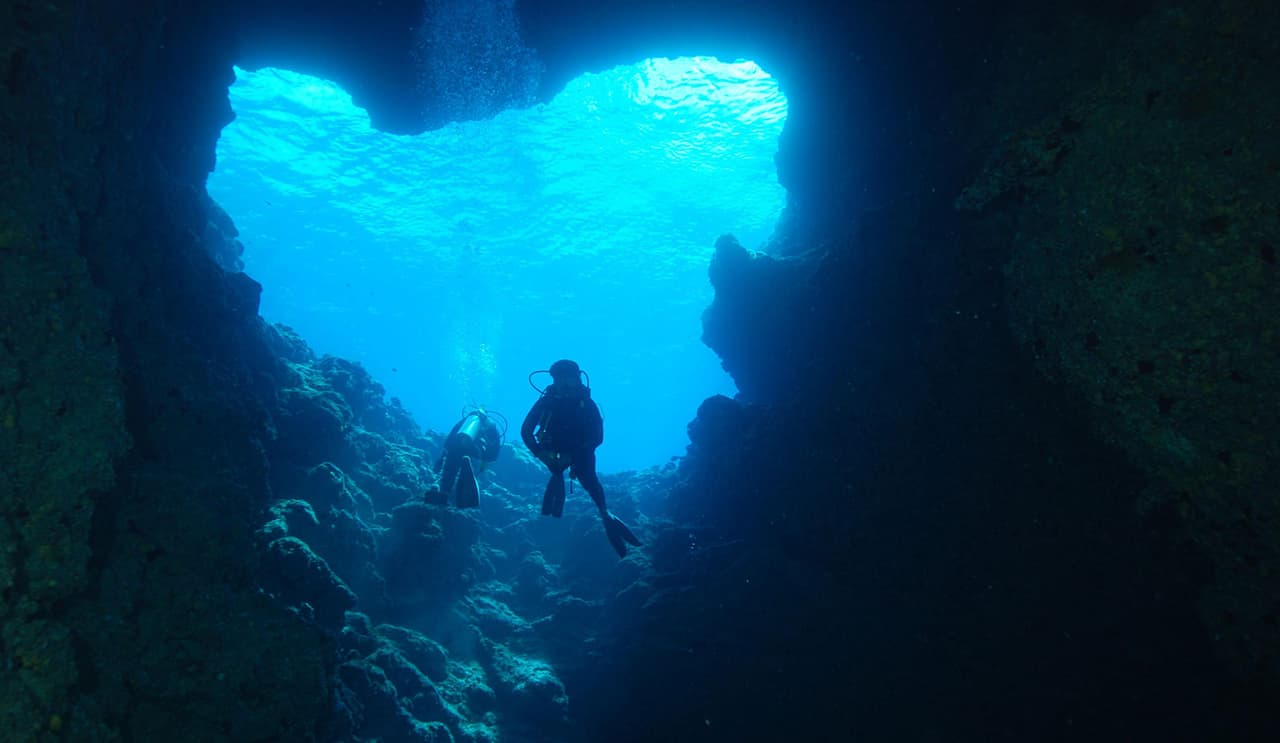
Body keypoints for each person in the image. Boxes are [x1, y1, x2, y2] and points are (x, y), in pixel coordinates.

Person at [521, 359, 641, 558]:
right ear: (553, 381)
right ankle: (560, 482)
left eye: (569, 379)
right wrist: (543, 455)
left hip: (581, 452)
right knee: (559, 473)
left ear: (578, 379)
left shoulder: (586, 403)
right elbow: (526, 431)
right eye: (559, 379)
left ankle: (606, 515)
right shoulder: (546, 402)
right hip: (553, 453)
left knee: (590, 482)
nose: (565, 384)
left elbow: (598, 437)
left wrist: (573, 455)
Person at [435, 408, 503, 508]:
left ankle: (443, 495)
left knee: (448, 475)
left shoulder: (467, 421)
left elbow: (452, 435)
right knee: (468, 473)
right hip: (475, 451)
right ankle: (461, 494)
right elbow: (494, 450)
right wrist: (484, 464)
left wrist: (442, 457)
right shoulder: (492, 427)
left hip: (456, 447)